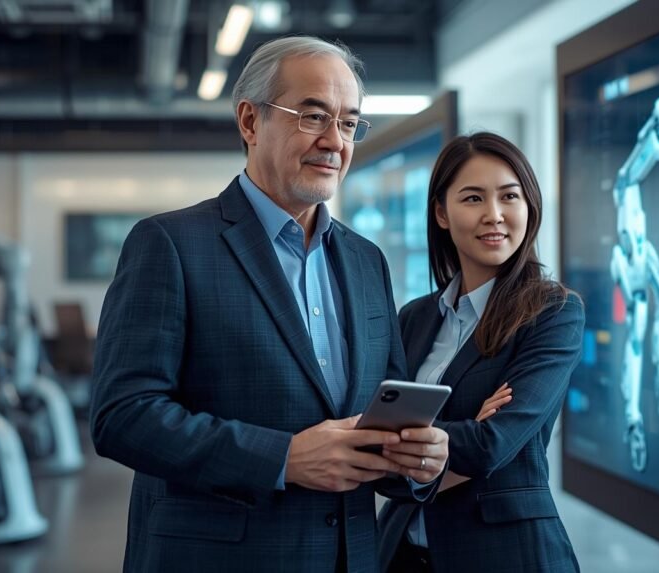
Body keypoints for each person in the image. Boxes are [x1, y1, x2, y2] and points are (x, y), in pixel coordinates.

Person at [89, 36, 448, 573]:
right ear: (250, 123)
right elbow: (122, 415)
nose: (335, 142)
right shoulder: (169, 244)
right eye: (312, 116)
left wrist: (417, 461)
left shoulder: (366, 260)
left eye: (348, 123)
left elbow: (378, 413)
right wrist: (282, 458)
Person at [377, 132, 585, 572]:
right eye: (473, 198)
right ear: (442, 213)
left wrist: (413, 440)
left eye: (509, 196)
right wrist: (466, 428)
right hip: (401, 554)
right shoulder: (415, 318)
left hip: (506, 555)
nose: (494, 215)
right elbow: (375, 444)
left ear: (529, 206)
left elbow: (495, 445)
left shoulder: (553, 313)